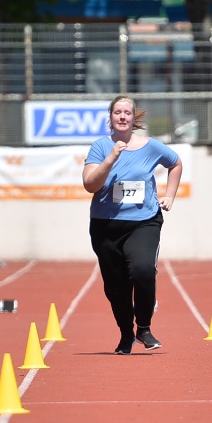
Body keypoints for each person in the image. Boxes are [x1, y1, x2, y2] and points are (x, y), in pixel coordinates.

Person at [83, 95, 183, 355]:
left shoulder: (150, 146)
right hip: (106, 225)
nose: (123, 116)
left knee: (142, 270)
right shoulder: (101, 146)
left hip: (143, 222)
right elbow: (90, 185)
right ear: (111, 117)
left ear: (134, 117)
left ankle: (145, 327)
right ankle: (126, 333)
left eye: (127, 112)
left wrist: (170, 195)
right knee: (116, 286)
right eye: (118, 112)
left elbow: (175, 163)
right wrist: (111, 158)